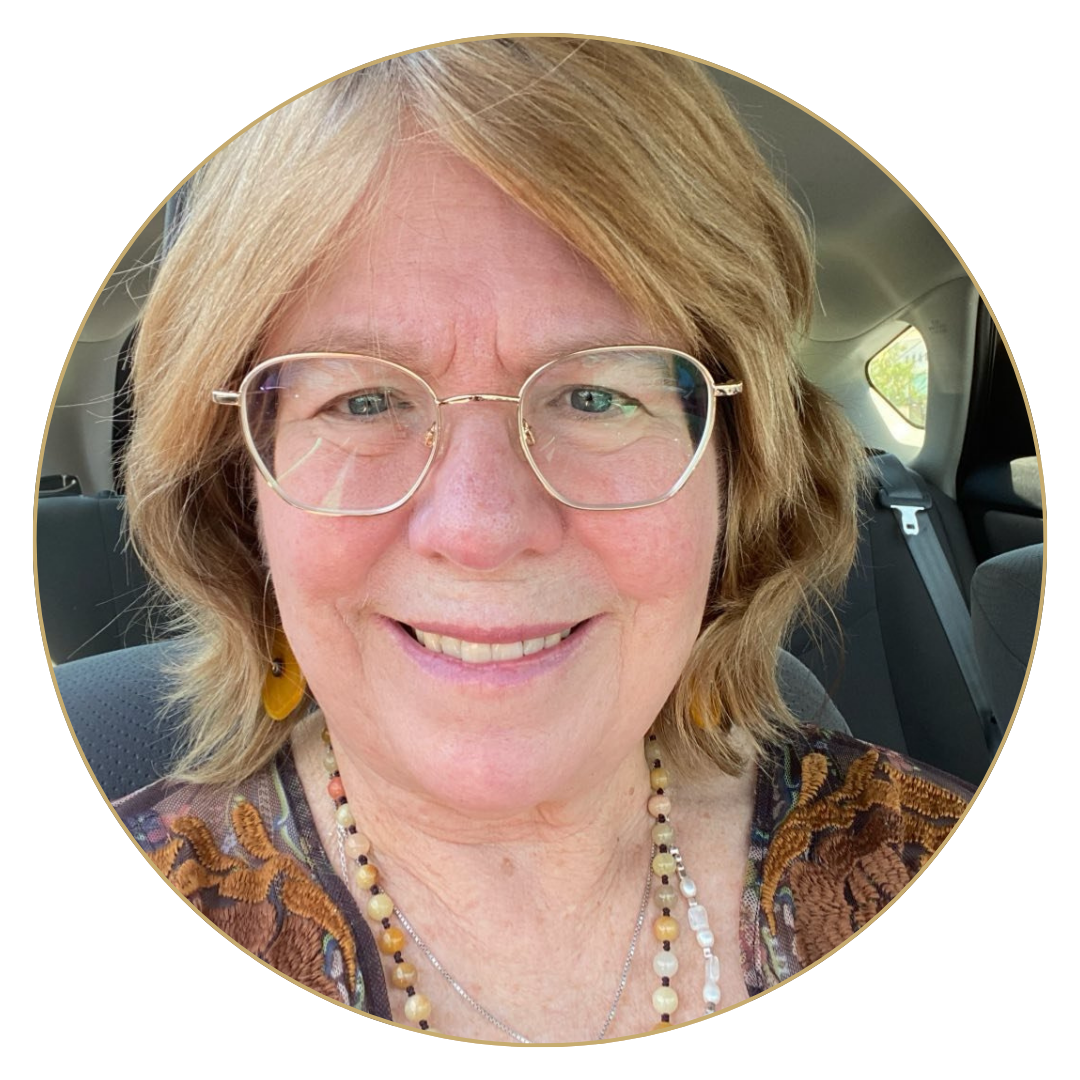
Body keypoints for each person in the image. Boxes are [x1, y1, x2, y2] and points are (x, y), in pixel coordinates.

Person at [113, 39, 971, 1041]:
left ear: (736, 474)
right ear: (238, 493)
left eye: (596, 395)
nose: (480, 529)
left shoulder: (913, 849)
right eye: (365, 400)